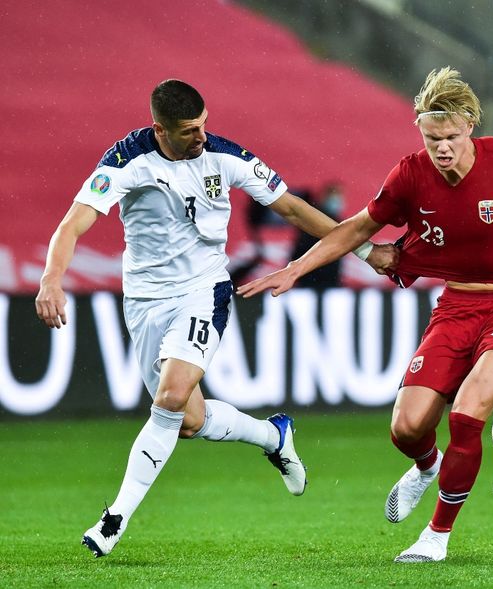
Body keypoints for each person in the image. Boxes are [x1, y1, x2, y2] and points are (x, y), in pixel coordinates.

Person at [236, 67, 493, 563]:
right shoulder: (409, 175)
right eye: (432, 138)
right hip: (455, 306)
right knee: (406, 428)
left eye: (450, 137)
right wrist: (296, 268)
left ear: (470, 124)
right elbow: (359, 227)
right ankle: (428, 467)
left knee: (468, 413)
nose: (441, 148)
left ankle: (436, 536)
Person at [34, 79, 394, 558]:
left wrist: (364, 249)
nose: (201, 136)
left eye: (204, 124)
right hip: (144, 301)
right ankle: (273, 436)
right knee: (188, 419)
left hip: (203, 292)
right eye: (188, 130)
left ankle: (113, 519)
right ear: (159, 129)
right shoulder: (126, 162)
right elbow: (73, 222)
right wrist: (52, 279)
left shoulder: (225, 157)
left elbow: (290, 207)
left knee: (171, 396)